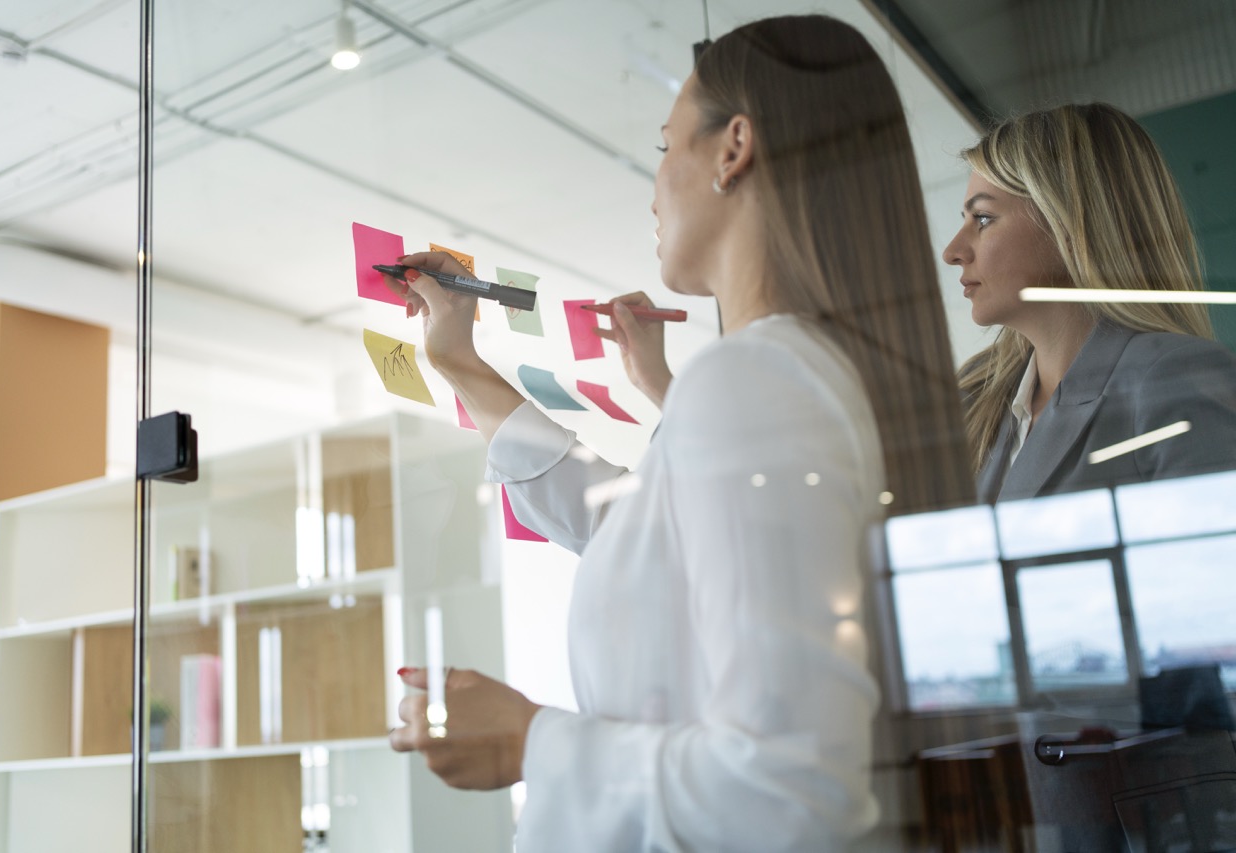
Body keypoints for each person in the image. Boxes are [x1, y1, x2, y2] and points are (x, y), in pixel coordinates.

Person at [386, 14, 973, 851]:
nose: (655, 184)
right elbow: (626, 524)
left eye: (666, 147)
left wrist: (529, 738)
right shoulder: (804, 373)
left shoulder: (758, 378)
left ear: (734, 148)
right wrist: (461, 364)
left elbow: (790, 790)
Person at [945, 102, 1236, 503]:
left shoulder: (1170, 380)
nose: (953, 251)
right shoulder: (977, 400)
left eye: (982, 219)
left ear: (1067, 222)